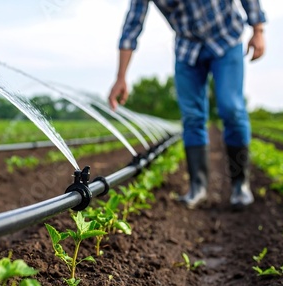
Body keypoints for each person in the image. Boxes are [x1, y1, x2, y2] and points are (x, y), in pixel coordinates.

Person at [109, 0, 266, 209]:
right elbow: (132, 26)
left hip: (226, 37)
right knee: (192, 117)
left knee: (231, 108)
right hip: (188, 48)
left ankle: (240, 185)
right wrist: (121, 77)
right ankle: (197, 187)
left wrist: (258, 30)